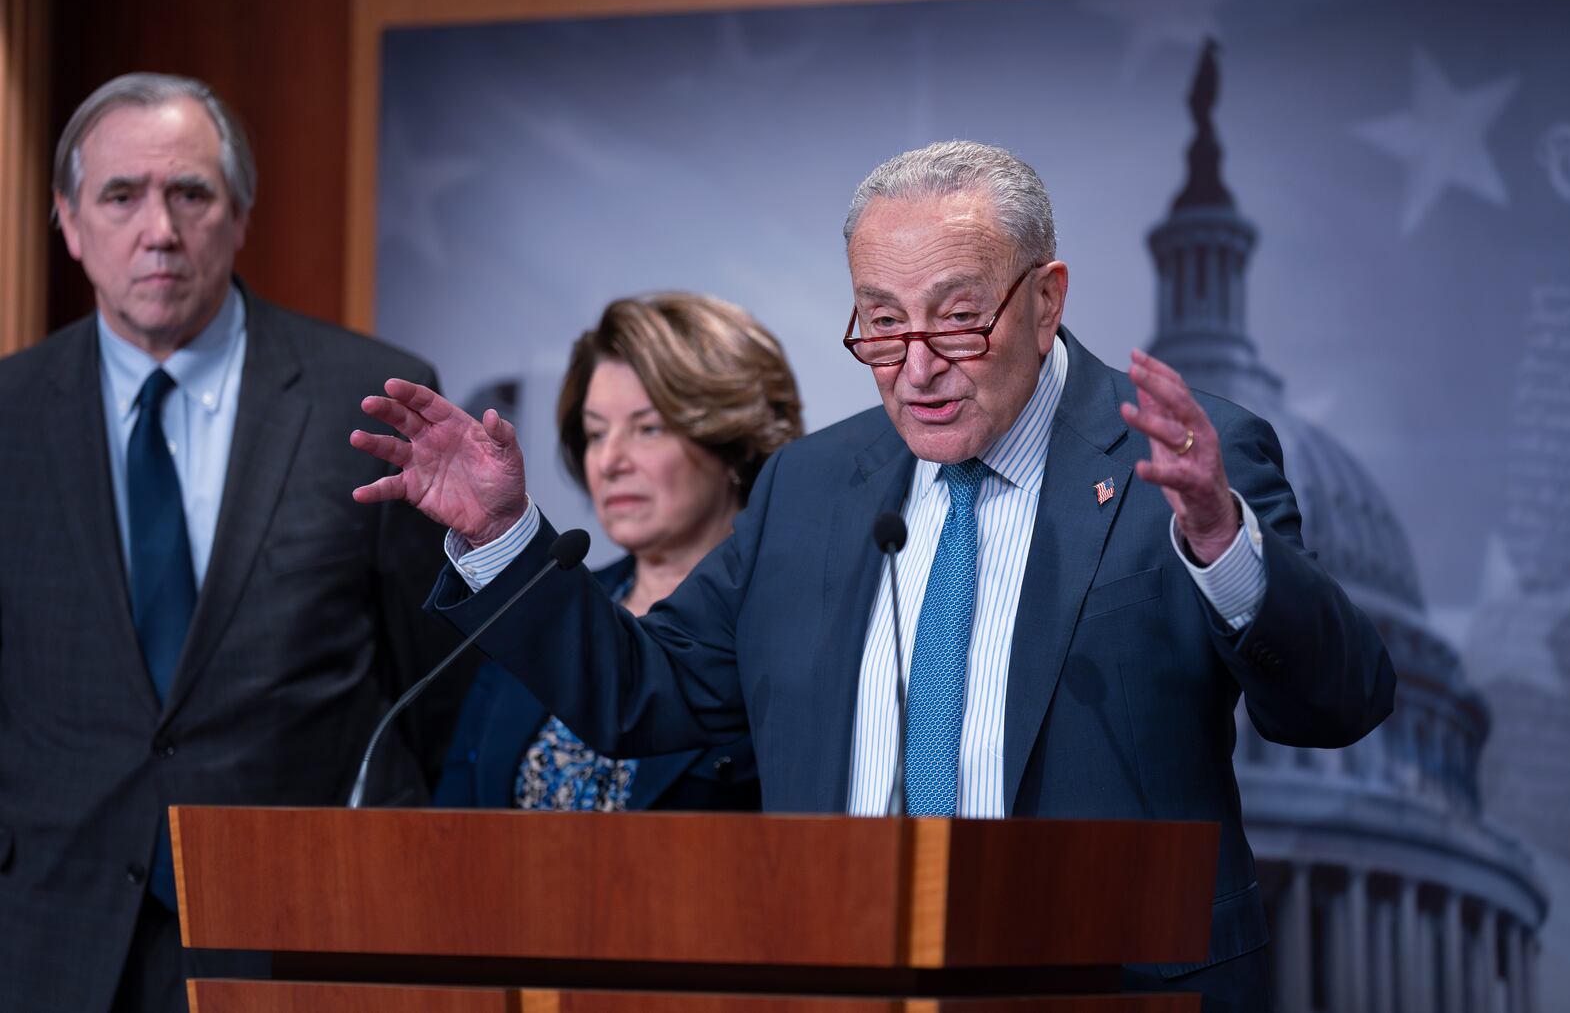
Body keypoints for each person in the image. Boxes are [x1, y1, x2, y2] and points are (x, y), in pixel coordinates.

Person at [353, 140, 1395, 1011]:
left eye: (956, 315)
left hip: (1115, 984)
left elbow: (1338, 703)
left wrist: (1224, 548)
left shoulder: (1182, 458)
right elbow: (647, 693)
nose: (917, 364)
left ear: (1045, 300)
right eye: (882, 322)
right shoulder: (814, 487)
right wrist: (502, 536)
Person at [0, 73, 469, 1013]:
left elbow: (435, 689)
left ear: (240, 213)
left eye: (191, 194)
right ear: (66, 220)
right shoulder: (8, 416)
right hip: (50, 934)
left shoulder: (370, 396)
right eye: (121, 196)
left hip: (297, 928)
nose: (160, 230)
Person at [433, 292, 801, 811]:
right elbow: (453, 820)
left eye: (647, 428)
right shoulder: (545, 607)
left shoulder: (792, 628)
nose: (609, 461)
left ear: (734, 443)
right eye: (594, 434)